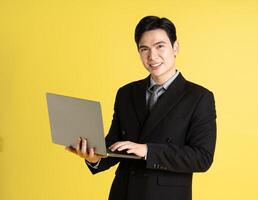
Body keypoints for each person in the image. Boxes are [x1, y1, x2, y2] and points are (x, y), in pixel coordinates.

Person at [66, 15, 217, 200]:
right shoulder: (126, 93)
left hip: (166, 195)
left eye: (160, 46)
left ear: (175, 47)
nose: (152, 56)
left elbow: (202, 158)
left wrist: (148, 151)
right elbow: (115, 145)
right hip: (124, 192)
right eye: (144, 49)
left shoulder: (199, 97)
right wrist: (94, 158)